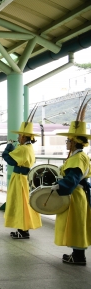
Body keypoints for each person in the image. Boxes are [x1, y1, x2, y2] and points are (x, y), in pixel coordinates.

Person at [51, 106, 91, 265]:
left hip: (75, 195)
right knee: (78, 224)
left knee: (76, 225)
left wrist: (59, 186)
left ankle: (79, 257)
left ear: (74, 142)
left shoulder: (76, 159)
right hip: (78, 194)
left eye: (68, 140)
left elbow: (72, 180)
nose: (67, 142)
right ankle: (77, 255)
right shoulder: (81, 156)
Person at [3, 111, 41, 239]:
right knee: (24, 203)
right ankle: (22, 229)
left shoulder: (23, 148)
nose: (18, 138)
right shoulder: (28, 148)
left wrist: (8, 147)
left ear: (24, 137)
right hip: (24, 178)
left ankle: (23, 230)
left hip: (20, 179)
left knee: (20, 204)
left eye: (20, 136)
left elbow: (10, 160)